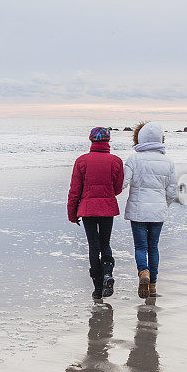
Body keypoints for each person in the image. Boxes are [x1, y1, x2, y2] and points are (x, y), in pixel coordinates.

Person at [67, 127, 124, 301]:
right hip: (107, 208)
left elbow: (75, 191)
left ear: (91, 140)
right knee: (105, 243)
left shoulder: (81, 161)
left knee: (93, 246)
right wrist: (106, 194)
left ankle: (98, 288)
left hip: (87, 209)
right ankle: (107, 274)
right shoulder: (116, 161)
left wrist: (72, 213)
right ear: (108, 141)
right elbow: (118, 188)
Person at [122, 121, 178, 298]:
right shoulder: (168, 162)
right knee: (153, 246)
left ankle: (143, 272)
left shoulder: (133, 159)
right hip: (158, 211)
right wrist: (163, 205)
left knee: (140, 246)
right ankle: (152, 285)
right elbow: (172, 190)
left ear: (140, 138)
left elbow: (123, 183)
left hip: (138, 210)